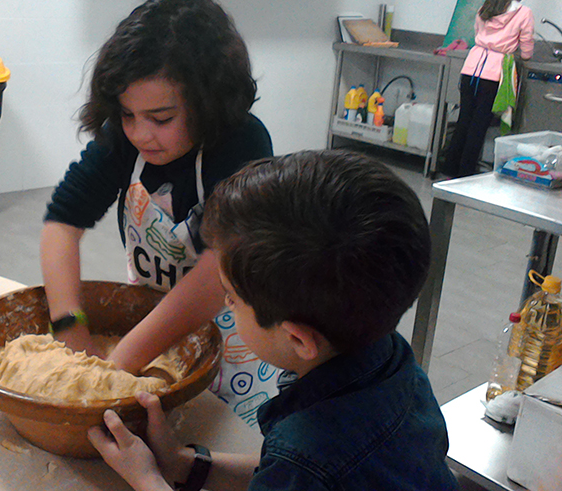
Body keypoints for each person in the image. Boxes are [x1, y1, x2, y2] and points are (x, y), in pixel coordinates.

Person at [88, 150, 460, 491]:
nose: (225, 307)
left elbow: (304, 469)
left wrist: (147, 479)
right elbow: (295, 472)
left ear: (298, 341)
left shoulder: (307, 454)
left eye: (230, 298)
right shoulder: (392, 358)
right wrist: (183, 463)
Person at [40, 0, 278, 423]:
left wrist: (121, 360)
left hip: (236, 334)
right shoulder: (123, 138)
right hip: (153, 317)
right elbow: (63, 221)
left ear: (208, 103)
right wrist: (69, 325)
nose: (140, 134)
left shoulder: (241, 144)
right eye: (128, 115)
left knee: (216, 442)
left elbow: (218, 268)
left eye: (161, 118)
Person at [442, 0, 534, 178]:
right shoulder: (523, 13)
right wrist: (521, 53)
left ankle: (449, 169)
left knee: (464, 120)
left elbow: (477, 32)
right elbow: (527, 47)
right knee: (479, 125)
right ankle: (464, 174)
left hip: (471, 68)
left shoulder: (487, 5)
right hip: (493, 75)